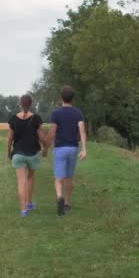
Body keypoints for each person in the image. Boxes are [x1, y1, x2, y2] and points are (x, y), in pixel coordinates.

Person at [47, 86, 87, 216]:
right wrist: (84, 149)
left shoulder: (56, 114)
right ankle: (67, 204)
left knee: (59, 178)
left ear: (61, 98)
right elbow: (82, 131)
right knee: (69, 177)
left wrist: (47, 145)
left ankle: (60, 197)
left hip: (60, 148)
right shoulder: (78, 113)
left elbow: (52, 132)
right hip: (73, 149)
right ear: (72, 99)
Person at [7, 95, 46, 217]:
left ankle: (23, 210)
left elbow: (9, 138)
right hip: (33, 154)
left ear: (20, 104)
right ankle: (29, 203)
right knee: (29, 178)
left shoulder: (13, 119)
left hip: (18, 154)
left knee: (21, 181)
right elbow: (41, 138)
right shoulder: (36, 118)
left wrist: (8, 152)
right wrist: (46, 146)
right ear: (31, 104)